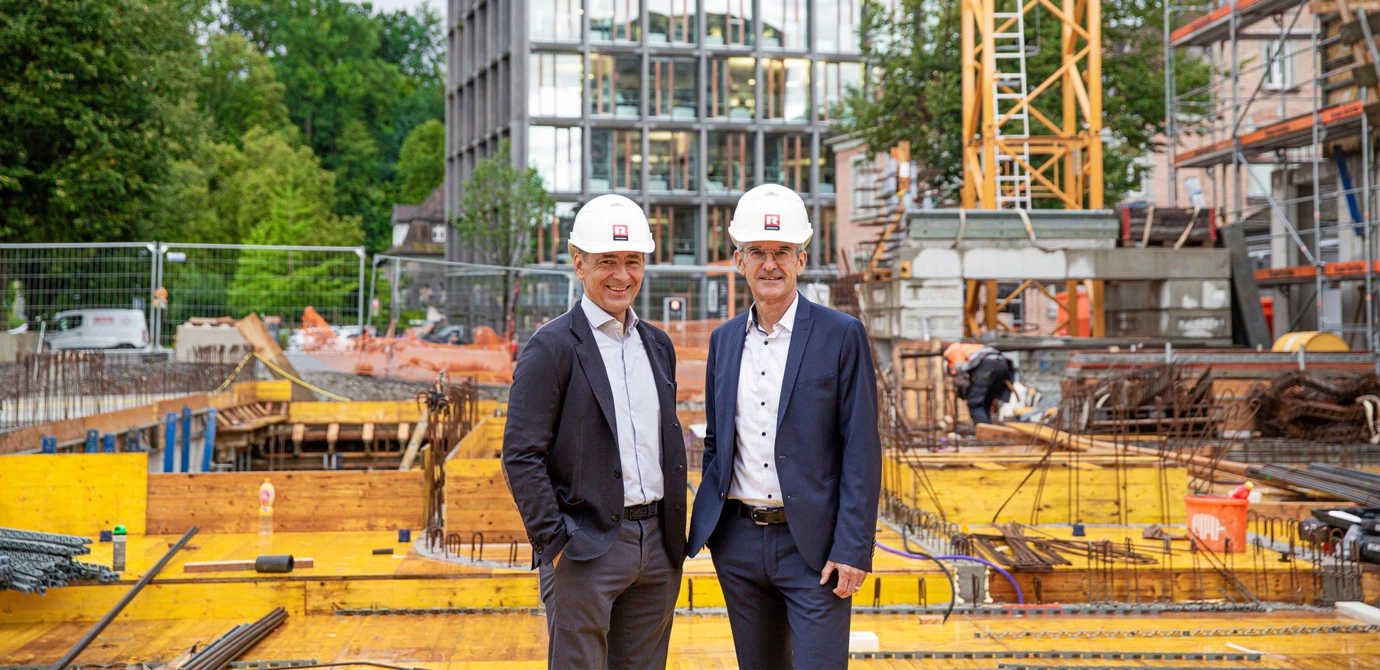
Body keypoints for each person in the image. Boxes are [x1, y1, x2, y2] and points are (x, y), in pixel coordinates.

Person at [686, 184, 882, 669]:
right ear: (739, 259)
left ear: (801, 258)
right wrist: (716, 533)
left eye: (781, 253)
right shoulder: (724, 340)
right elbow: (717, 441)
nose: (769, 264)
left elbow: (860, 446)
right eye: (757, 252)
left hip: (813, 549)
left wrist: (853, 547)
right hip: (739, 544)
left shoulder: (841, 335)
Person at [502, 194, 687, 669]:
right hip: (585, 548)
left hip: (658, 547)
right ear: (578, 262)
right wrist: (555, 542)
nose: (621, 275)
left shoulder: (657, 345)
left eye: (632, 261)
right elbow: (521, 455)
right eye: (607, 261)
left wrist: (672, 541)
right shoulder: (552, 347)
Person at [942, 341, 1013, 425]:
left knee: (974, 403)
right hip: (1004, 365)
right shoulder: (970, 347)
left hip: (987, 365)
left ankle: (984, 431)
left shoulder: (952, 351)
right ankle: (989, 430)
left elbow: (958, 370)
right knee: (986, 401)